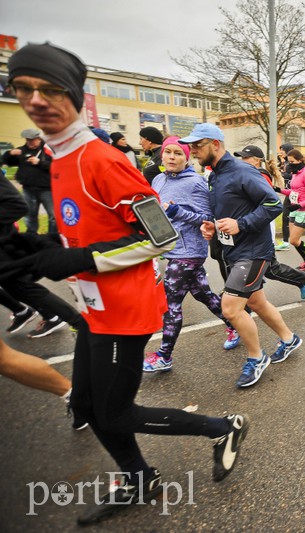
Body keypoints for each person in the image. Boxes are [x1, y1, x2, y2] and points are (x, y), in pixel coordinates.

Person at [3, 43, 250, 525]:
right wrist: (38, 245)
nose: (34, 100)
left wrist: (79, 259)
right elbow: (87, 228)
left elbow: (161, 237)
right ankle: (139, 478)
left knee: (113, 412)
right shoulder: (58, 158)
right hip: (93, 307)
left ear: (74, 96)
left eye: (49, 89)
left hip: (126, 309)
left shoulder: (103, 159)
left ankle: (223, 427)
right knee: (85, 403)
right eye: (22, 88)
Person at [181, 124, 302, 379]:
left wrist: (241, 224)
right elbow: (229, 211)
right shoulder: (215, 176)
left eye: (197, 146)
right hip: (234, 251)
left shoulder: (242, 171)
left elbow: (273, 204)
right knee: (256, 302)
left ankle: (257, 358)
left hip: (254, 251)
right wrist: (213, 226)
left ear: (215, 144)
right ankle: (289, 339)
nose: (193, 151)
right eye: (191, 147)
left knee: (231, 308)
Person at [143, 136, 241, 372]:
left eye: (178, 153)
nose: (172, 157)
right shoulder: (158, 179)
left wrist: (177, 212)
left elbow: (207, 219)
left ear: (186, 158)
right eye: (168, 152)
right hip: (169, 248)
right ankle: (235, 324)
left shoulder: (195, 183)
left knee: (171, 304)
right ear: (162, 155)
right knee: (203, 294)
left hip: (189, 251)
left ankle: (164, 356)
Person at [0, 163, 81, 338]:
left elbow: (17, 205)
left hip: (6, 245)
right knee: (18, 287)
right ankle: (32, 313)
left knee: (22, 286)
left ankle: (78, 324)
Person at [233, 145, 305, 299]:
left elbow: (267, 205)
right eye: (241, 158)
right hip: (248, 226)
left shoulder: (261, 177)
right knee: (245, 263)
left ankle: (301, 278)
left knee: (270, 269)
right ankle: (247, 295)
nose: (242, 161)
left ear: (257, 161)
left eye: (246, 158)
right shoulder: (248, 175)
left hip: (262, 226)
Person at [1, 127, 56, 234]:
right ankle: (31, 236)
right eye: (27, 140)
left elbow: (57, 167)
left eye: (32, 140)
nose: (29, 142)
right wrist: (10, 153)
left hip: (47, 190)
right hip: (28, 189)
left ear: (39, 138)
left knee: (53, 216)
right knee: (30, 216)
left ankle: (53, 236)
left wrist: (39, 163)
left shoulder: (48, 150)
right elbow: (7, 162)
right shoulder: (22, 150)